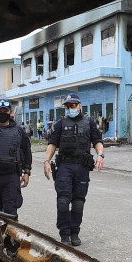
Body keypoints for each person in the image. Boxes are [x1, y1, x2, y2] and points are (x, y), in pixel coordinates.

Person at [43, 93, 105, 246]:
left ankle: (74, 232)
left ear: (79, 105)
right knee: (63, 201)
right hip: (64, 166)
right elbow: (52, 143)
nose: (70, 108)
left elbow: (98, 141)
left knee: (78, 202)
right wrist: (46, 161)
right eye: (67, 106)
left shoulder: (89, 122)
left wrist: (100, 155)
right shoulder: (60, 123)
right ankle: (64, 234)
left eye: (72, 105)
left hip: (82, 167)